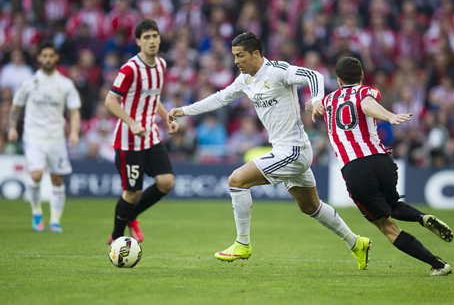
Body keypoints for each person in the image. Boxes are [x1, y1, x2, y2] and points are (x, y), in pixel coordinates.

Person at [168, 32, 371, 270]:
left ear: (256, 53)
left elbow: (314, 74)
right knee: (310, 207)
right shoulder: (245, 79)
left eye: (240, 55)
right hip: (287, 150)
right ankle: (356, 242)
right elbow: (220, 98)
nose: (236, 61)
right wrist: (184, 111)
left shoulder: (277, 71)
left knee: (236, 180)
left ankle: (242, 243)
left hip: (293, 150)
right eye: (234, 56)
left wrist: (317, 100)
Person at [307, 56, 453, 276]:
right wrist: (389, 115)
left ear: (338, 80)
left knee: (387, 227)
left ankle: (439, 265)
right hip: (381, 160)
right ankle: (422, 218)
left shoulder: (328, 101)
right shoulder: (366, 90)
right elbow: (365, 103)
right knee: (391, 204)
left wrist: (313, 103)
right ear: (362, 76)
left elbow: (364, 105)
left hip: (354, 167)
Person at [105, 18, 178, 244]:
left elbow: (152, 97)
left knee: (166, 182)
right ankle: (116, 238)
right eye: (146, 37)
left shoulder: (162, 65)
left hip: (151, 136)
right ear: (138, 42)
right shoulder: (130, 69)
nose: (152, 40)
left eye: (154, 36)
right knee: (132, 193)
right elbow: (110, 101)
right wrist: (131, 123)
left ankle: (131, 216)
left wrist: (167, 118)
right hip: (129, 140)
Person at [7, 40, 81, 233]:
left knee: (57, 180)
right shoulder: (29, 82)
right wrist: (12, 127)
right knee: (36, 174)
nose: (48, 59)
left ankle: (55, 220)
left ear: (56, 57)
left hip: (56, 137)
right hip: (34, 136)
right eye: (44, 56)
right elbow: (16, 107)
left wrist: (74, 132)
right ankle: (36, 211)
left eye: (51, 55)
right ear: (39, 58)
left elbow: (74, 111)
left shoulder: (65, 84)